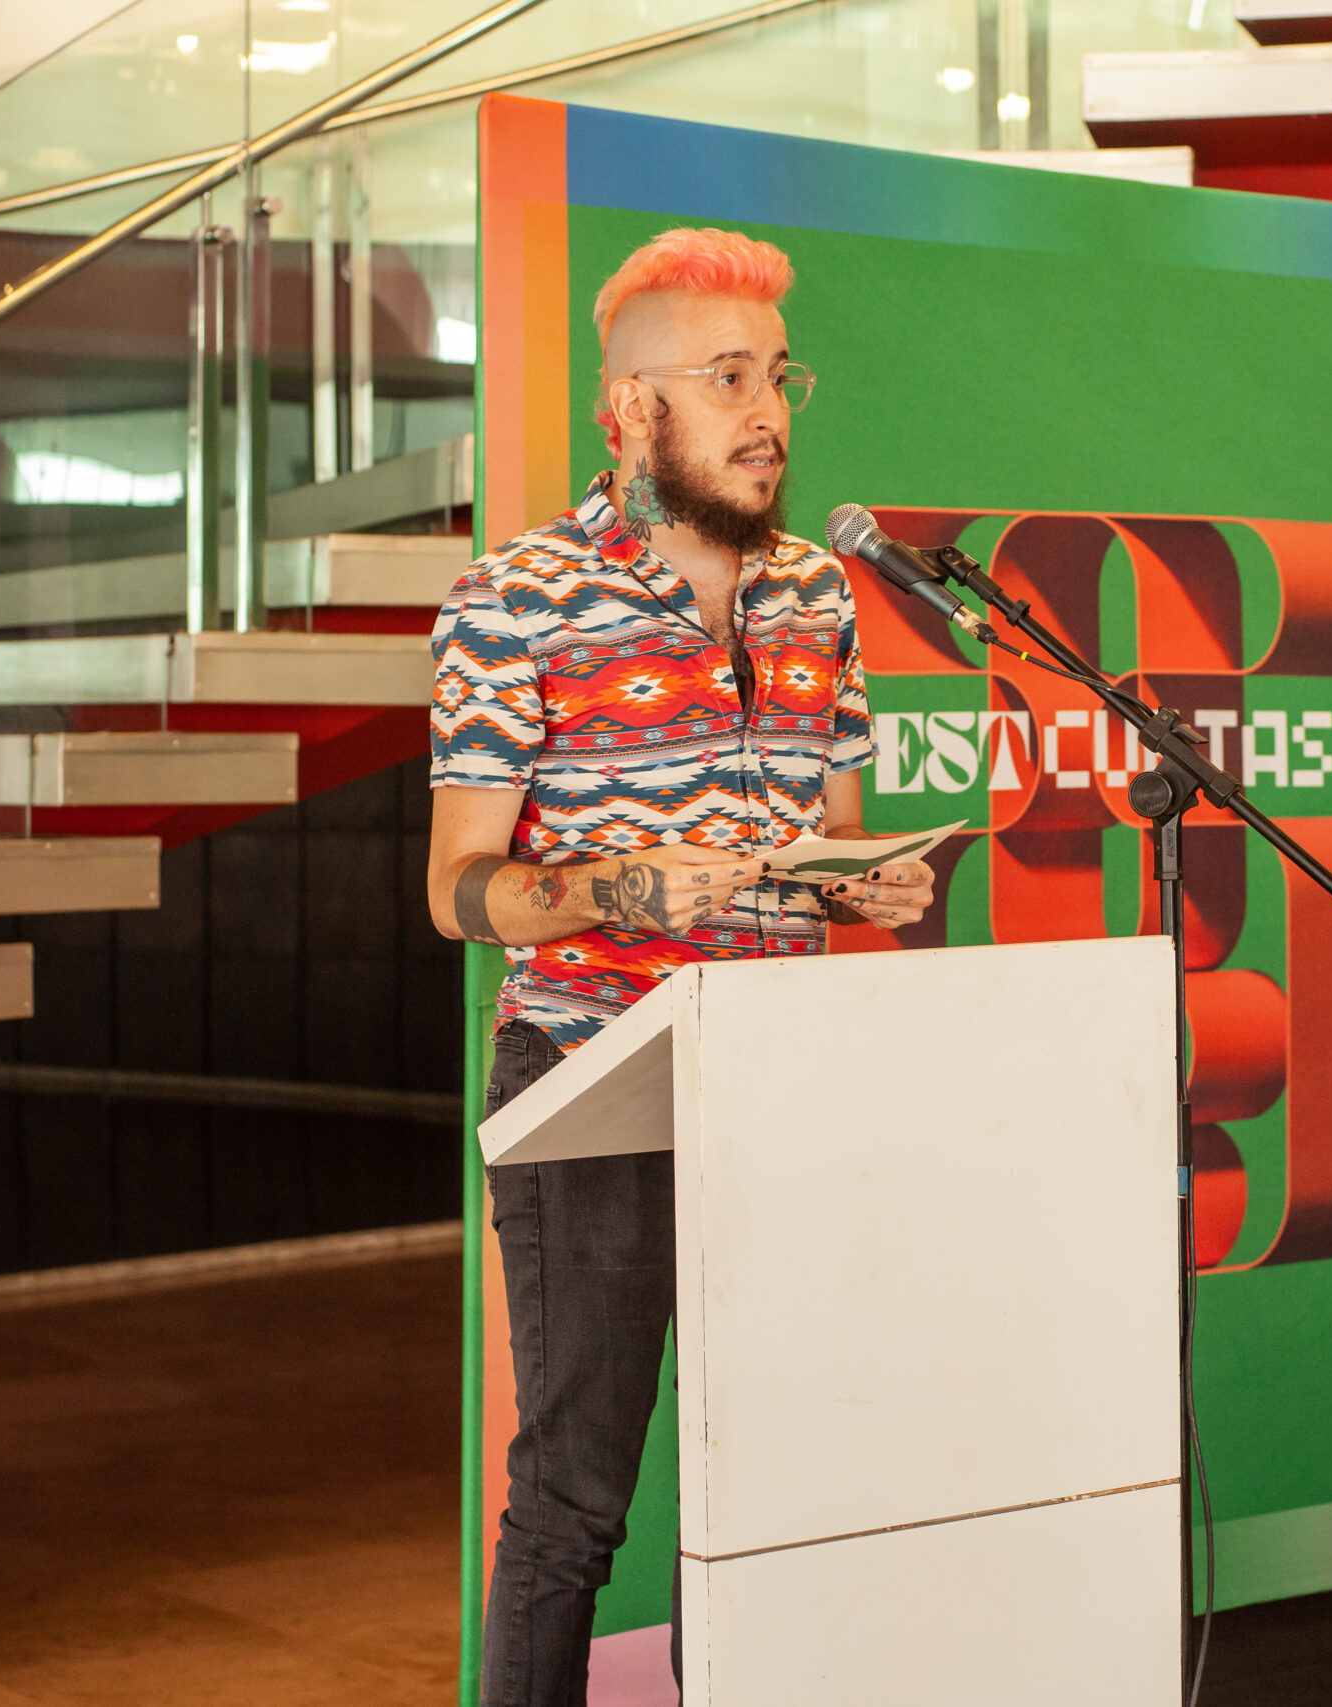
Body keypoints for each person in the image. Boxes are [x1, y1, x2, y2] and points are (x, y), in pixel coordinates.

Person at [424, 226, 935, 1705]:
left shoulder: (820, 598)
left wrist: (871, 884)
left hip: (782, 1086)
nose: (768, 411)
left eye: (779, 376)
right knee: (578, 1498)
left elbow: (829, 838)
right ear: (629, 411)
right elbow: (457, 892)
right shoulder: (510, 599)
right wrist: (613, 886)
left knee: (772, 1494)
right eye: (726, 378)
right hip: (592, 1072)